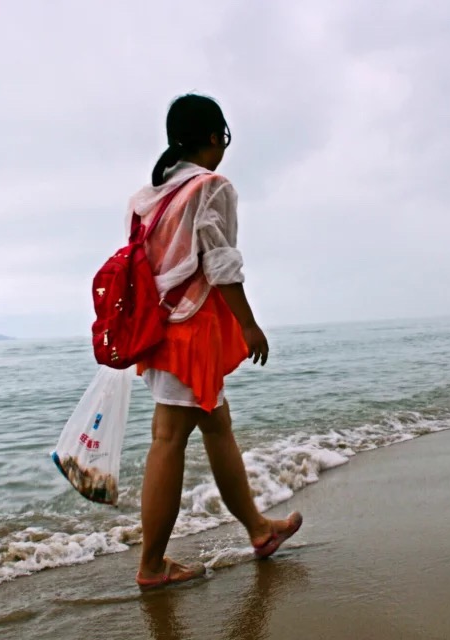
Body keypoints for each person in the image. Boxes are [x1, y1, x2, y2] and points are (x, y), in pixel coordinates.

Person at [130, 94, 303, 589]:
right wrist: (248, 324)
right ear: (213, 138)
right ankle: (151, 566)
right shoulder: (211, 187)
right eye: (222, 137)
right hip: (192, 330)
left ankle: (258, 529)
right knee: (168, 440)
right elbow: (220, 263)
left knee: (217, 426)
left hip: (159, 330)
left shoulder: (148, 197)